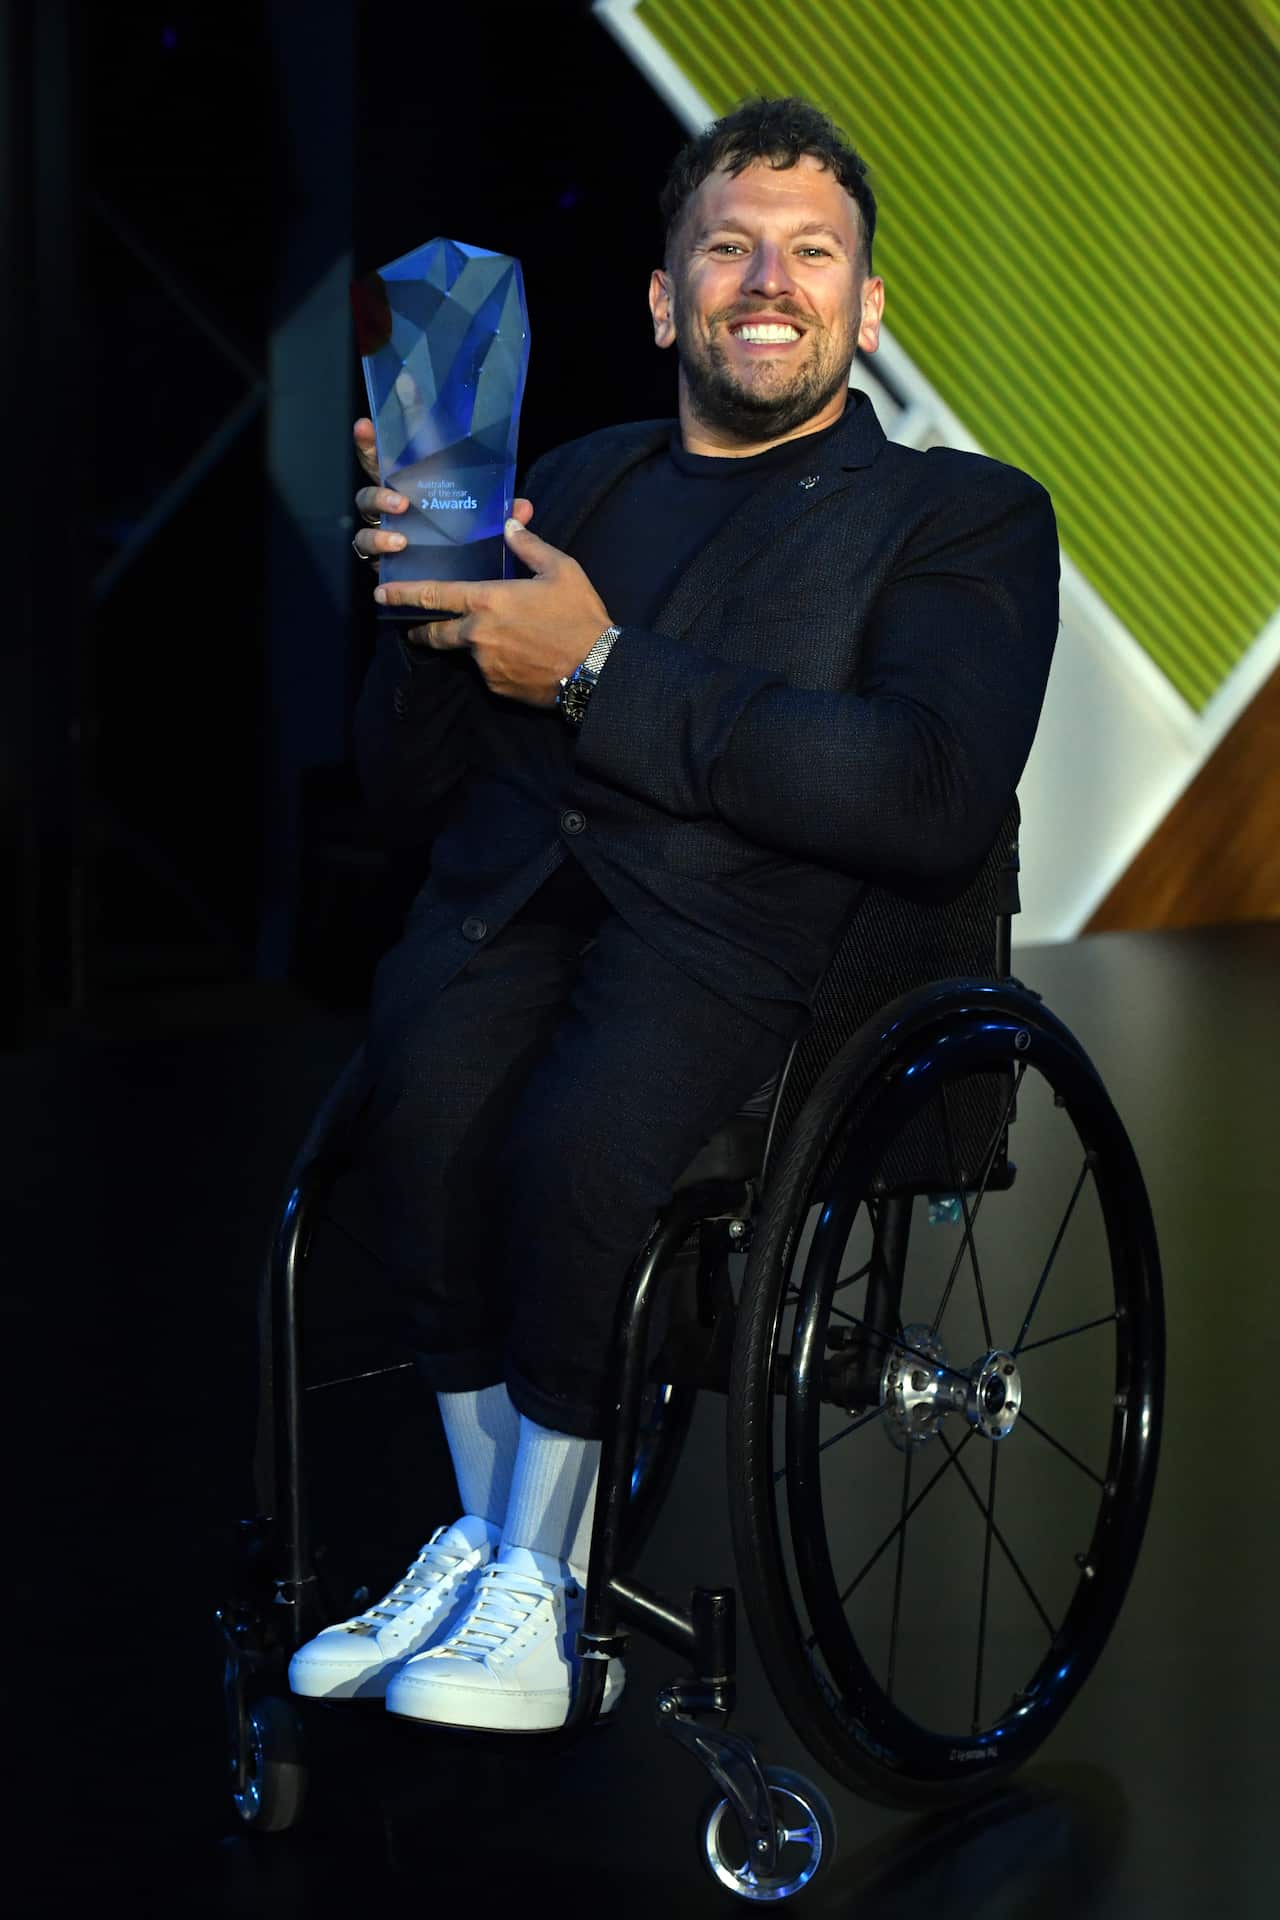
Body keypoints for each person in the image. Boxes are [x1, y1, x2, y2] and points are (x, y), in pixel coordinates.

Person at [287, 95, 1059, 1732]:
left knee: (580, 1131)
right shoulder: (566, 479)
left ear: (866, 306)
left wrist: (598, 664)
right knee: (422, 1113)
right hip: (515, 916)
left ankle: (539, 1588)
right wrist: (424, 599)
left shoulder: (960, 512)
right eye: (729, 246)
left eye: (812, 252)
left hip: (763, 944)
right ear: (663, 298)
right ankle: (496, 1540)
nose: (768, 279)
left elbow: (923, 787)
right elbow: (411, 785)